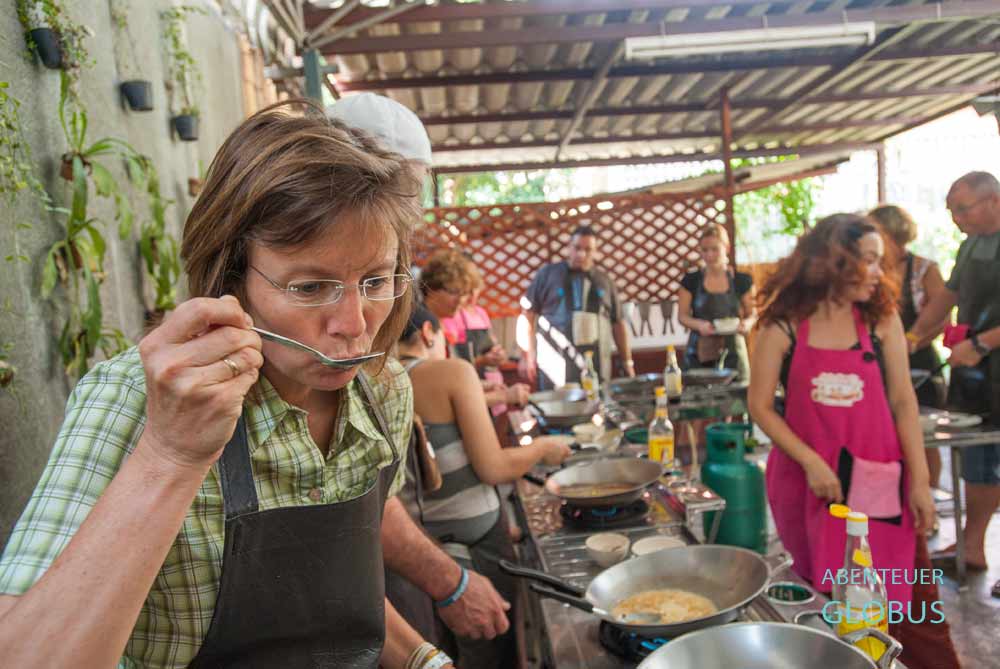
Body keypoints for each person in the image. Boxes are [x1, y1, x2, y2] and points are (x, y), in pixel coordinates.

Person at [0, 100, 457, 668]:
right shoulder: (136, 398)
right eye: (311, 287)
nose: (355, 324)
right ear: (232, 278)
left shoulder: (382, 391)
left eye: (375, 280)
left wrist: (424, 660)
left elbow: (320, 595)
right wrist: (170, 454)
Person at [327, 93, 515, 643]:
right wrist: (452, 584)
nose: (351, 320)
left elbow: (372, 489)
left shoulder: (388, 372)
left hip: (393, 562)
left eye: (378, 282)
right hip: (378, 568)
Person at [748, 214, 959, 669]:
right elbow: (760, 405)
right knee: (833, 606)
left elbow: (904, 402)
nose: (879, 274)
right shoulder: (782, 326)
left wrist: (919, 482)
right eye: (867, 261)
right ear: (832, 262)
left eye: (880, 262)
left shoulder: (880, 321)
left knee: (912, 607)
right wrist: (810, 462)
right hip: (813, 486)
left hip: (881, 482)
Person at [397, 303, 572, 668]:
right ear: (429, 333)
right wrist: (542, 448)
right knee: (492, 652)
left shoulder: (382, 378)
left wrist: (499, 396)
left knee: (444, 652)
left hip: (416, 555)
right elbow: (493, 467)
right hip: (475, 548)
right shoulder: (450, 372)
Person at [906, 172, 1000, 596]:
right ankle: (972, 547)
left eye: (962, 208)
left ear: (994, 200)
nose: (956, 218)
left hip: (984, 354)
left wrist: (982, 342)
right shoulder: (970, 246)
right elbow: (947, 297)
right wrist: (909, 340)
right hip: (977, 375)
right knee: (978, 463)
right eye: (951, 211)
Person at [869, 204, 949, 494]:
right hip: (876, 364)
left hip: (920, 364)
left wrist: (913, 341)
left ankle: (928, 494)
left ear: (892, 235)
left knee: (924, 439)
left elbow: (941, 317)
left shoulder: (924, 269)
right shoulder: (870, 271)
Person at [519, 225, 634, 390]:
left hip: (597, 366)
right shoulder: (548, 275)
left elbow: (618, 323)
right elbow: (527, 315)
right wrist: (526, 354)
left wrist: (627, 361)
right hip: (554, 363)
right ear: (569, 247)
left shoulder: (605, 281)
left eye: (588, 249)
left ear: (595, 251)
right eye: (577, 248)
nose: (581, 254)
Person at [422, 248, 530, 409]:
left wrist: (485, 385)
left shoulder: (440, 323)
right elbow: (441, 396)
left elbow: (453, 383)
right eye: (454, 292)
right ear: (431, 288)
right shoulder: (423, 329)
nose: (460, 300)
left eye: (464, 293)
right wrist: (503, 396)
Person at [677, 223, 755, 382]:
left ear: (726, 248)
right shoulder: (690, 281)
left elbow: (752, 314)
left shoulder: (742, 281)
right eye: (704, 250)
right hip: (700, 352)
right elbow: (682, 316)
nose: (709, 255)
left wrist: (746, 324)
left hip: (734, 352)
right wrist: (699, 325)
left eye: (714, 249)